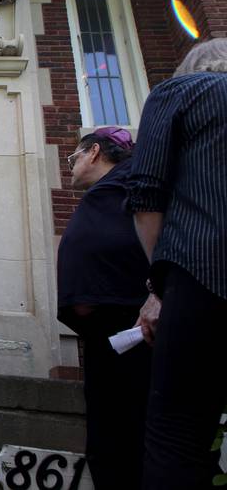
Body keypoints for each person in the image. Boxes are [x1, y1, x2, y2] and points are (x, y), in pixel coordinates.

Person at [126, 38, 227, 490]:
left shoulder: (179, 92)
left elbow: (146, 193)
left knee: (177, 434)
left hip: (203, 271)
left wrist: (158, 287)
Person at [55, 127, 152, 489]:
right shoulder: (109, 191)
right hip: (105, 335)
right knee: (106, 439)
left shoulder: (138, 182)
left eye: (73, 157)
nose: (71, 166)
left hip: (137, 329)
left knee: (129, 436)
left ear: (94, 152)